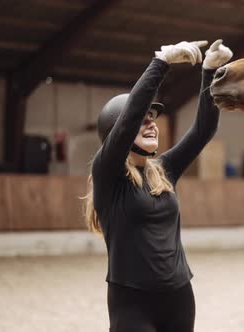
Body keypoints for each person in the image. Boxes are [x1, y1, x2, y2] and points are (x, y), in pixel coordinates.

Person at [83, 39, 233, 332]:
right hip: (132, 302)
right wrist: (161, 62)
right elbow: (127, 122)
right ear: (119, 131)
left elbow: (204, 129)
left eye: (153, 118)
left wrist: (210, 72)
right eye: (144, 119)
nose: (152, 124)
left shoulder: (164, 170)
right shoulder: (107, 175)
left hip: (179, 295)